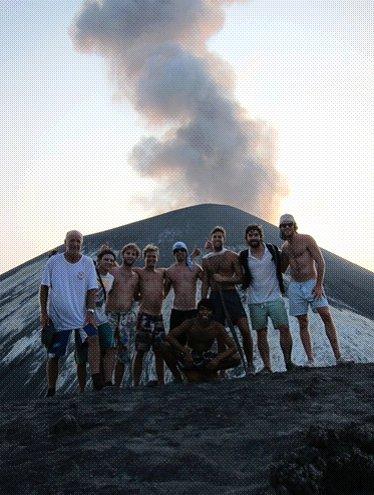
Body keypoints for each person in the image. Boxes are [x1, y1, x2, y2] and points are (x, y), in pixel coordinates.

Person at [280, 214, 350, 366]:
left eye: (289, 224)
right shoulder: (285, 247)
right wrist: (279, 256)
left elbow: (321, 262)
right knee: (302, 322)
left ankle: (339, 357)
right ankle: (310, 359)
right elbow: (282, 269)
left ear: (294, 225)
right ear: (280, 228)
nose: (286, 227)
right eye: (283, 225)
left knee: (326, 315)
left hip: (312, 283)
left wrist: (319, 285)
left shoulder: (307, 239)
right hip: (295, 286)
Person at [40, 230, 102, 397]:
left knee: (94, 338)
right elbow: (44, 287)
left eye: (78, 241)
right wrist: (43, 313)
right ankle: (51, 389)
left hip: (82, 316)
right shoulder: (54, 262)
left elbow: (92, 289)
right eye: (71, 240)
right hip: (59, 318)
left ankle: (97, 380)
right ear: (65, 242)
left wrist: (90, 311)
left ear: (81, 244)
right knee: (54, 354)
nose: (75, 244)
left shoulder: (87, 262)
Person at [239, 225, 296, 373]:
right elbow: (238, 273)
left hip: (274, 297)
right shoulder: (244, 256)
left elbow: (284, 264)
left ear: (261, 236)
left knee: (284, 328)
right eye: (250, 235)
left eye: (256, 234)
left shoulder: (271, 250)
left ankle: (288, 363)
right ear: (246, 238)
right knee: (261, 332)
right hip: (255, 300)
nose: (253, 237)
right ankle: (267, 367)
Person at [201, 226, 254, 373]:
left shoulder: (232, 256)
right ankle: (222, 369)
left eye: (220, 237)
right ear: (211, 240)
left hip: (231, 295)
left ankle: (250, 365)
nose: (217, 239)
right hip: (215, 297)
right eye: (215, 237)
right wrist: (203, 301)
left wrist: (223, 279)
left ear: (224, 239)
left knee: (245, 329)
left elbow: (240, 278)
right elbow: (205, 281)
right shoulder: (206, 260)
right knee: (220, 333)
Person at [164, 299, 240, 383]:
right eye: (202, 309)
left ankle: (210, 371)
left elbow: (233, 347)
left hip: (207, 357)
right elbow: (170, 336)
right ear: (198, 311)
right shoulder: (190, 323)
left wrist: (217, 359)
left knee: (236, 358)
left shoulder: (217, 327)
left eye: (208, 310)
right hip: (191, 356)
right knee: (165, 346)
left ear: (212, 313)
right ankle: (178, 376)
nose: (205, 312)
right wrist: (185, 351)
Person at [75, 248, 116, 391]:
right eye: (106, 259)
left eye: (111, 260)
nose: (109, 262)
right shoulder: (89, 273)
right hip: (84, 316)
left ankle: (109, 381)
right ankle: (97, 379)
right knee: (93, 340)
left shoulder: (110, 278)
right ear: (99, 261)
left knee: (110, 346)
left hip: (101, 316)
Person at [164, 241, 203, 381]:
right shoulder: (170, 271)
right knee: (172, 344)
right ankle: (177, 374)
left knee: (195, 343)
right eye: (177, 251)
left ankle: (195, 373)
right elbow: (164, 291)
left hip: (192, 311)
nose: (180, 253)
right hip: (177, 312)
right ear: (174, 254)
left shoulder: (195, 268)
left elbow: (207, 279)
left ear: (186, 252)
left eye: (182, 251)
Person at [106, 243, 140, 387]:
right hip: (111, 314)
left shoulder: (135, 276)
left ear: (136, 257)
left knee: (123, 349)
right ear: (123, 254)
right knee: (108, 347)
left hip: (126, 316)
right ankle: (105, 382)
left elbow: (137, 295)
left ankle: (117, 385)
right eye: (128, 253)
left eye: (133, 254)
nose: (130, 256)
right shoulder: (113, 271)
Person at [133, 244, 167, 386]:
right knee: (141, 351)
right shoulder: (139, 272)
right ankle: (136, 383)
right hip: (144, 317)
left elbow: (179, 267)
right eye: (149, 256)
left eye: (154, 256)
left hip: (158, 317)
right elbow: (123, 269)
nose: (151, 259)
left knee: (159, 352)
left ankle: (161, 382)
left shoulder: (162, 272)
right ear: (144, 258)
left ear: (157, 258)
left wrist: (193, 257)